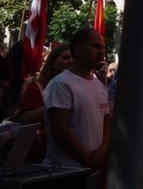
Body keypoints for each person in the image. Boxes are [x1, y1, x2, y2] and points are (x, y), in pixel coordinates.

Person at [43, 27, 110, 172]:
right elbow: (60, 130)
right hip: (65, 172)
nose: (101, 52)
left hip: (91, 172)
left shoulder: (99, 84)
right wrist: (87, 159)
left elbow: (106, 120)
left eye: (103, 48)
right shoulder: (61, 84)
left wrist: (103, 150)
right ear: (78, 50)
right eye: (95, 46)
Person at [17, 43, 71, 163]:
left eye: (73, 58)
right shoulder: (37, 87)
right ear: (53, 63)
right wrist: (55, 107)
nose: (70, 61)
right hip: (40, 156)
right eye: (65, 57)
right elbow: (25, 118)